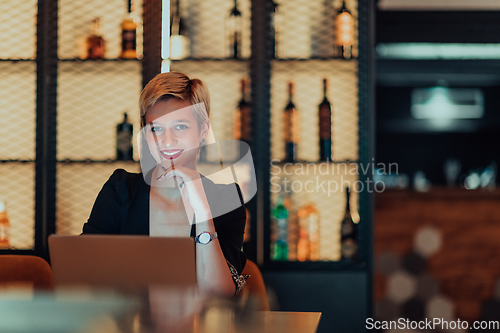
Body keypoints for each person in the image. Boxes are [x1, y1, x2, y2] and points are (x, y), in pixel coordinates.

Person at [82, 71, 248, 297]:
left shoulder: (226, 199)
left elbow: (219, 293)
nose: (167, 141)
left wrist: (203, 215)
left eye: (180, 126)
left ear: (203, 131)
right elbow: (82, 274)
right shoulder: (120, 189)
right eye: (156, 128)